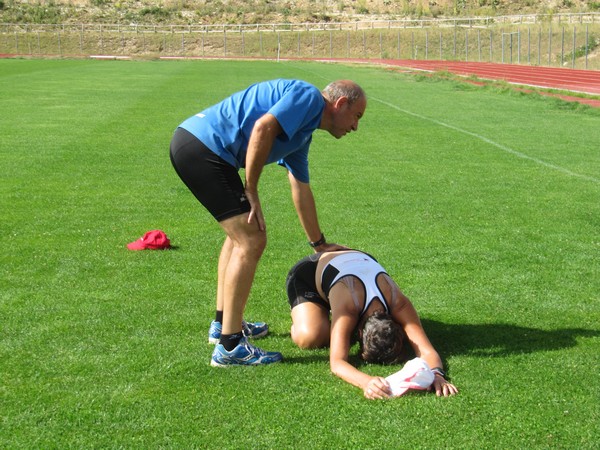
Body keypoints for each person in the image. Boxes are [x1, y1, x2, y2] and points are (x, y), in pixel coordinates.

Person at [169, 79, 367, 367]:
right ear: (339, 104)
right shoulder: (309, 97)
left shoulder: (302, 133)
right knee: (252, 238)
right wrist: (251, 188)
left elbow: (300, 186)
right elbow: (263, 127)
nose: (355, 126)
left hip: (198, 146)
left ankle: (224, 325)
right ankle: (230, 346)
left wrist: (318, 242)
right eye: (357, 116)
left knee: (240, 237)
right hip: (203, 148)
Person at [285, 250, 459, 399]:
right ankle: (306, 316)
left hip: (358, 259)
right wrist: (365, 382)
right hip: (310, 271)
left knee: (334, 332)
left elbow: (426, 351)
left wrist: (436, 374)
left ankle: (329, 313)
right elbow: (337, 362)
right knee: (310, 337)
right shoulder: (348, 306)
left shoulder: (398, 303)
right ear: (359, 333)